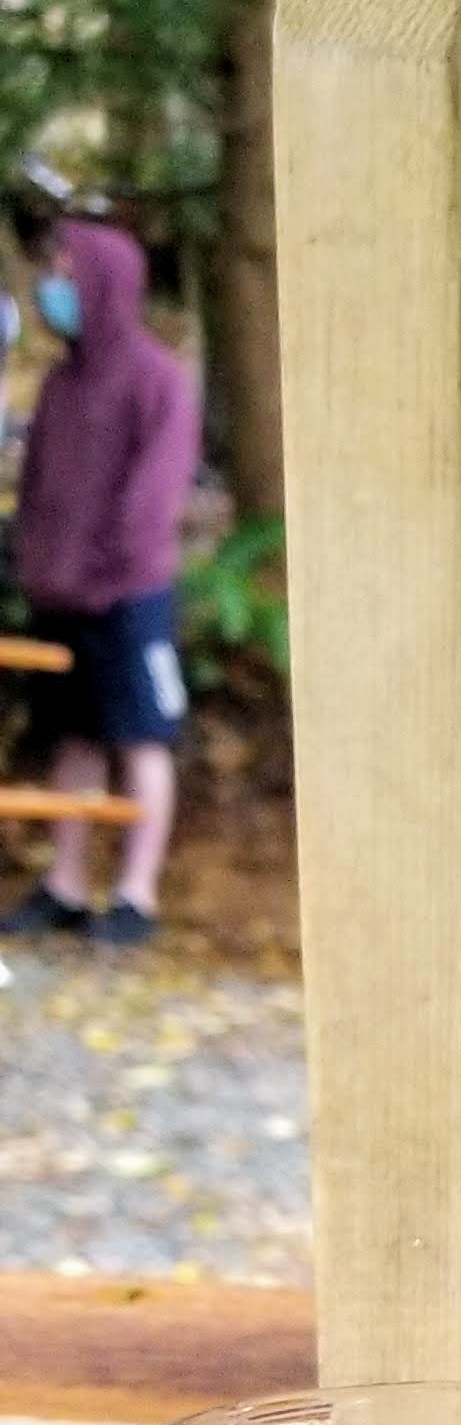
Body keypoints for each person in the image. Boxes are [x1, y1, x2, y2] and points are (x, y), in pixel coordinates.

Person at [5, 220, 201, 948]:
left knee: (142, 737)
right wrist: (36, 561)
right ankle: (66, 882)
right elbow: (38, 487)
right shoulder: (60, 383)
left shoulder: (157, 380)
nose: (54, 286)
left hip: (130, 596)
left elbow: (152, 498)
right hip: (60, 597)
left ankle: (135, 894)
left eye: (65, 270)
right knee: (74, 741)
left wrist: (107, 568)